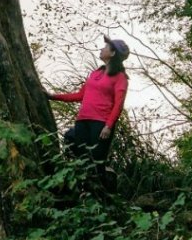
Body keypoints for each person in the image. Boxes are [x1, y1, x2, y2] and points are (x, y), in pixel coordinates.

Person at [45, 36, 130, 168]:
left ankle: (99, 187)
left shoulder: (120, 77)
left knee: (96, 163)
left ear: (113, 53)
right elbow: (80, 95)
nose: (101, 49)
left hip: (100, 124)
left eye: (106, 47)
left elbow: (119, 104)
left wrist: (108, 126)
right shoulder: (95, 73)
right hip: (82, 121)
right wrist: (53, 96)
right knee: (81, 158)